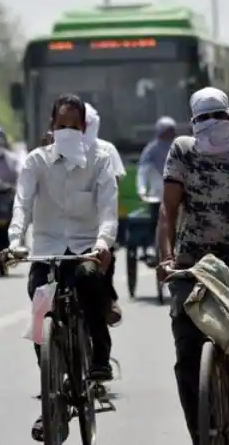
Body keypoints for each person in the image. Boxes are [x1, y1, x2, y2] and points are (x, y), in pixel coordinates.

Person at [156, 87, 229, 445]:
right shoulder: (182, 151)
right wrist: (166, 258)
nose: (213, 125)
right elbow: (168, 211)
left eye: (218, 117)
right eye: (204, 119)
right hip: (193, 256)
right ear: (193, 122)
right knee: (188, 353)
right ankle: (200, 434)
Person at [4, 94, 117, 442]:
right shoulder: (36, 161)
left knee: (88, 280)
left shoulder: (100, 160)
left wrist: (102, 243)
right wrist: (15, 240)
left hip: (84, 248)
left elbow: (108, 208)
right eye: (61, 125)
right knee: (40, 315)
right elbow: (22, 203)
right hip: (47, 250)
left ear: (84, 128)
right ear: (51, 127)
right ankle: (51, 394)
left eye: (74, 126)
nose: (67, 131)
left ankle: (100, 353)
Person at [84, 102, 125, 326]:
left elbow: (114, 185)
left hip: (98, 223)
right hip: (60, 229)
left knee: (101, 265)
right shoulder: (50, 152)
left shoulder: (106, 150)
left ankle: (108, 301)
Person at [137, 116, 177, 245]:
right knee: (156, 220)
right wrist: (142, 190)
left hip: (177, 195)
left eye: (171, 131)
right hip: (157, 195)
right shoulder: (151, 150)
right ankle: (153, 245)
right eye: (166, 131)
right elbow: (143, 171)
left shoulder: (178, 147)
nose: (168, 135)